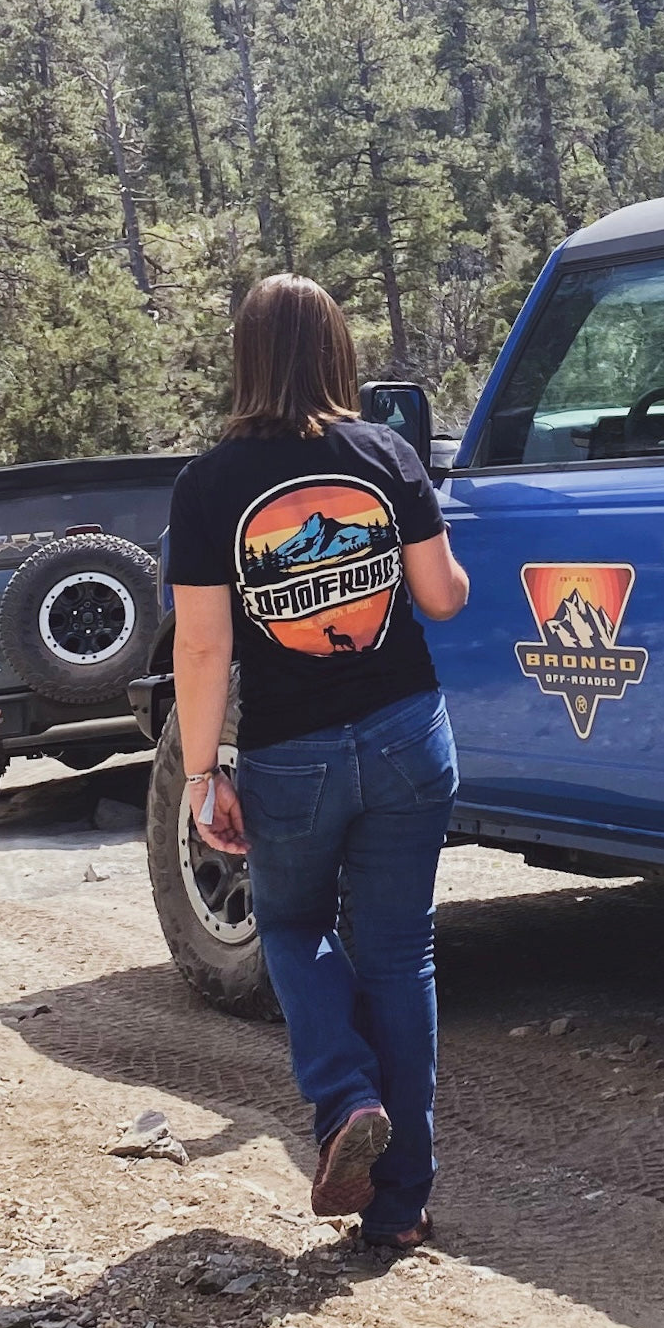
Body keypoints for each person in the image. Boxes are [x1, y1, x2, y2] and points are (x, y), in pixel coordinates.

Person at [165, 273, 469, 1249]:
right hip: (408, 734)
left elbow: (202, 647)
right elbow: (443, 597)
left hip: (290, 754)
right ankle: (400, 1207)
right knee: (399, 952)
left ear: (245, 358)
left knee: (293, 925)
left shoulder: (208, 485)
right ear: (337, 351)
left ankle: (344, 1096)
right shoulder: (384, 454)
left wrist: (203, 774)